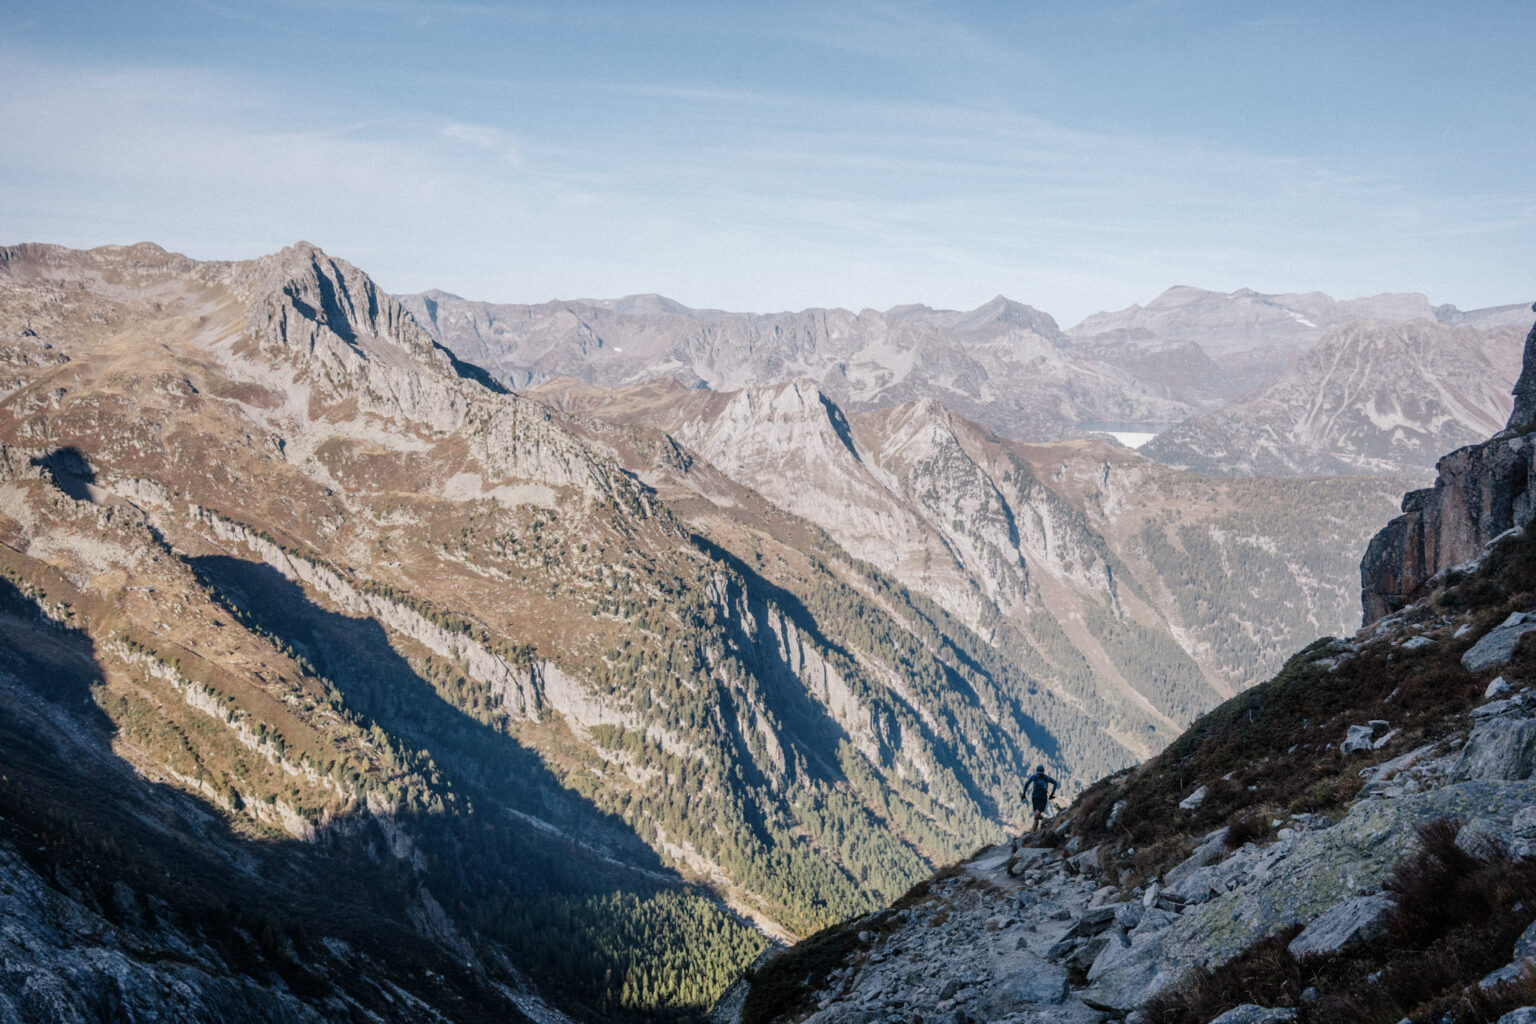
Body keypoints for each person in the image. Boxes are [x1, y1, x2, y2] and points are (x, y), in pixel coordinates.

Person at [1023, 764, 1059, 832]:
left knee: (1036, 815)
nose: (1039, 775)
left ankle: (1033, 830)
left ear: (1043, 773)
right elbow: (1027, 784)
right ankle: (1033, 832)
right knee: (1036, 818)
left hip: (1043, 799)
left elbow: (1055, 783)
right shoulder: (1034, 777)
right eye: (1038, 774)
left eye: (1041, 774)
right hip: (1035, 798)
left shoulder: (1046, 778)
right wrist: (1024, 793)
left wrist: (1052, 794)